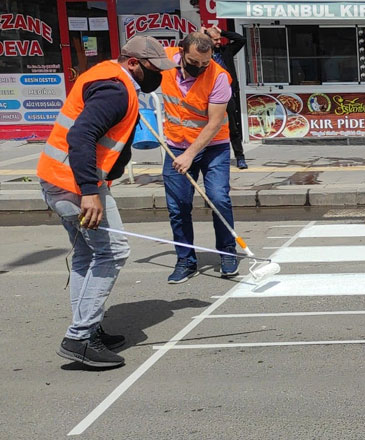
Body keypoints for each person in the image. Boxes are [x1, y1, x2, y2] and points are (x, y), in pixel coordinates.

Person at [37, 36, 176, 368]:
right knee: (114, 251)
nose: (157, 75)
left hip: (59, 178)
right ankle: (80, 338)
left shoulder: (109, 75)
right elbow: (81, 135)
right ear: (132, 63)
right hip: (74, 186)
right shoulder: (115, 90)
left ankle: (88, 329)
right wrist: (89, 192)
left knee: (88, 253)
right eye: (152, 69)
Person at [159, 32, 238, 284]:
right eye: (195, 62)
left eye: (206, 62)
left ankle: (227, 252)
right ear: (181, 52)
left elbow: (215, 123)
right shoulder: (166, 58)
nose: (201, 68)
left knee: (218, 198)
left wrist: (190, 155)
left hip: (213, 147)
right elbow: (134, 55)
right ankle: (185, 260)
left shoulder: (219, 77)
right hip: (176, 145)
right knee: (178, 207)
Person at [204, 24, 248, 169]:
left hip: (227, 94)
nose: (218, 42)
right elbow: (185, 46)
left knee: (233, 127)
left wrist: (222, 32)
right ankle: (208, 156)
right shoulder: (202, 54)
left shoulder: (226, 51)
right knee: (209, 126)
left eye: (219, 39)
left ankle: (240, 157)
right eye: (215, 40)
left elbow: (241, 39)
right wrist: (200, 35)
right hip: (208, 96)